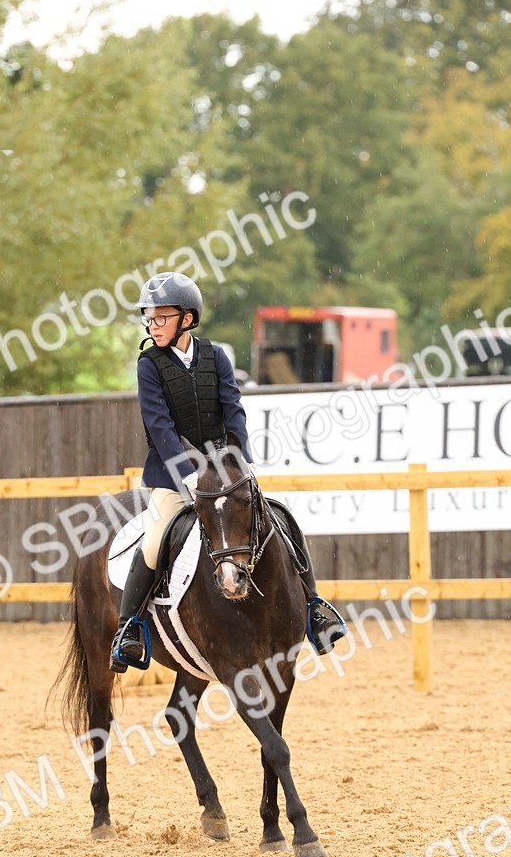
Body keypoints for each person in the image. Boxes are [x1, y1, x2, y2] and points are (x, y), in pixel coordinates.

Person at [109, 272, 346, 671]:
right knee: (154, 538)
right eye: (149, 318)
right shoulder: (149, 365)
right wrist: (186, 473)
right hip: (174, 475)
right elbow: (159, 424)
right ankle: (128, 628)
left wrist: (241, 457)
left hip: (224, 469)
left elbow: (233, 407)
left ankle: (314, 609)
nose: (152, 324)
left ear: (187, 318)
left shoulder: (215, 356)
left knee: (282, 520)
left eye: (160, 317)